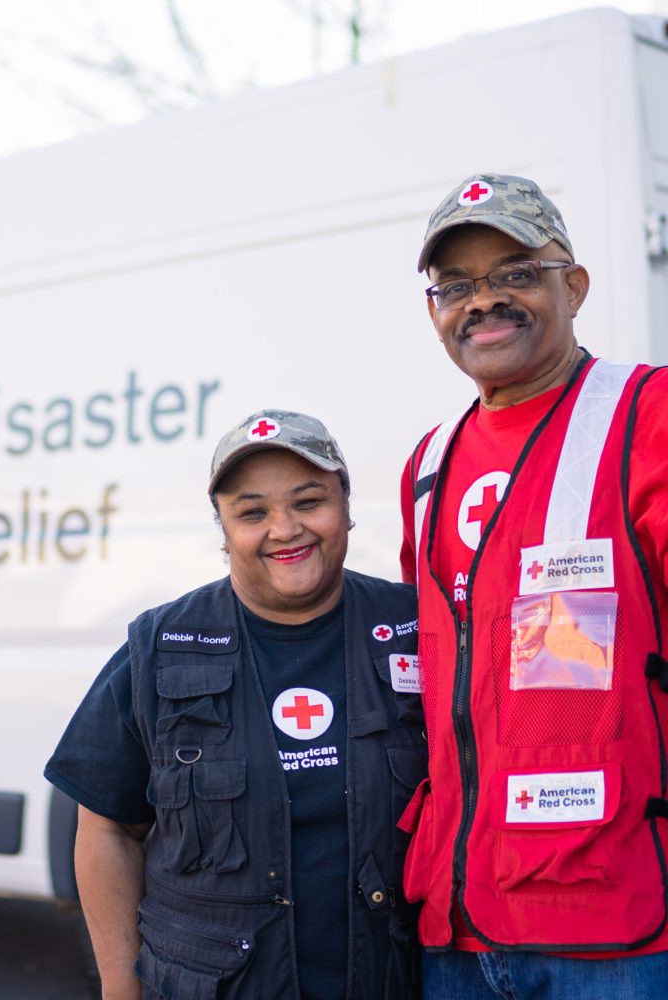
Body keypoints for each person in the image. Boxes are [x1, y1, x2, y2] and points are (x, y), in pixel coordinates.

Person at [46, 410, 426, 999]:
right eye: (253, 512)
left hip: (393, 980)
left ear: (346, 507)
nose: (285, 529)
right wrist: (122, 990)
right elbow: (106, 828)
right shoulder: (160, 645)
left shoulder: (414, 627)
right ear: (223, 530)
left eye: (308, 502)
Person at [399, 173, 668, 997]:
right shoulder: (428, 462)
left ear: (574, 286)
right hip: (458, 932)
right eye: (458, 286)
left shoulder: (647, 415)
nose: (484, 302)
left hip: (613, 937)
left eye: (516, 273)